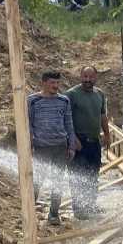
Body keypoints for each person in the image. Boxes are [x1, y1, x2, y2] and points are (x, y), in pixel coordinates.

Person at [28, 71, 77, 225]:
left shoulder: (64, 100)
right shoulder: (32, 101)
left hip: (60, 147)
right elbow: (28, 124)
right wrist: (28, 145)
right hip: (41, 147)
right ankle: (29, 214)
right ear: (43, 82)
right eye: (52, 83)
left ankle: (54, 214)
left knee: (58, 181)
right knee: (37, 181)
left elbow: (69, 124)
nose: (56, 86)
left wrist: (72, 146)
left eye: (57, 83)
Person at [65, 66, 110, 219]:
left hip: (94, 142)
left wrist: (107, 134)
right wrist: (73, 138)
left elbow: (102, 116)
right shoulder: (72, 95)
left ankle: (90, 204)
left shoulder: (100, 94)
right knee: (78, 174)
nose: (88, 80)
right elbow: (66, 118)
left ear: (96, 77)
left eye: (91, 77)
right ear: (81, 76)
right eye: (85, 76)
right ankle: (79, 209)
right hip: (79, 142)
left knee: (93, 174)